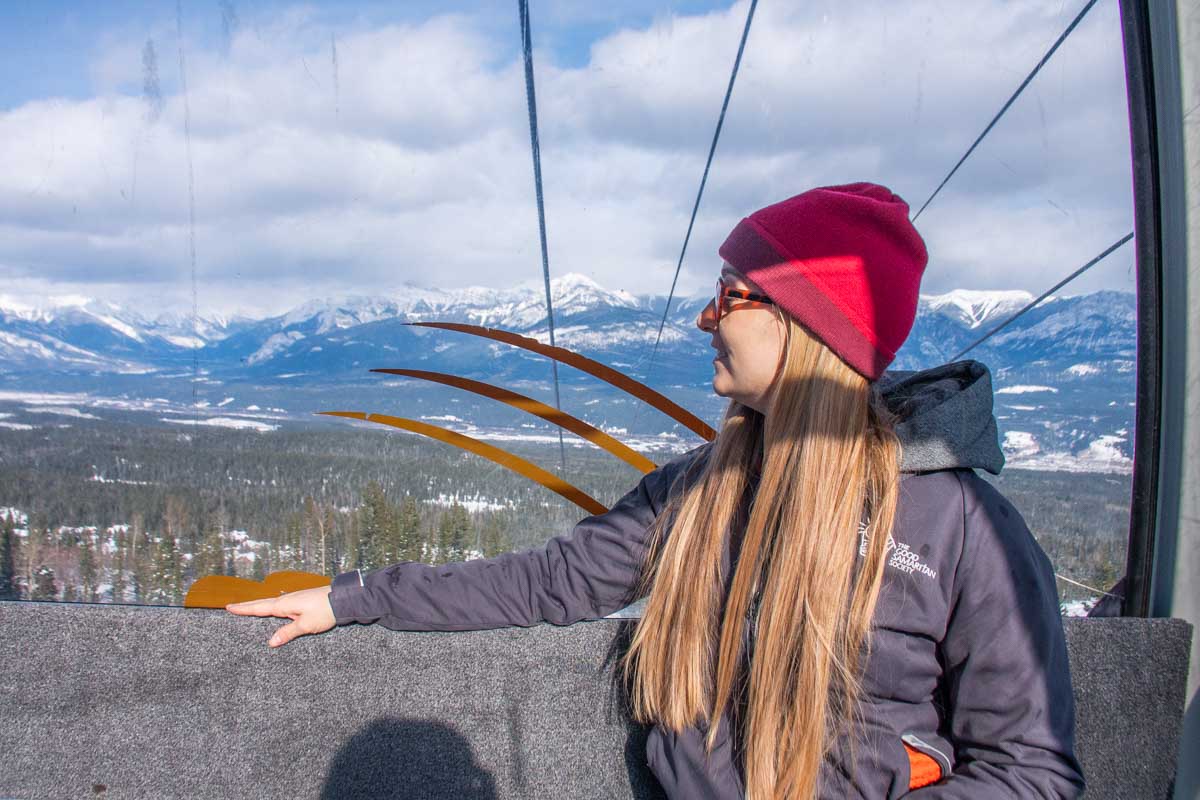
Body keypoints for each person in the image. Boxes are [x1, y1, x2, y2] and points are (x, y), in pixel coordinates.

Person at [228, 183, 1084, 798]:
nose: (705, 320)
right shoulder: (699, 491)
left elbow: (1030, 768)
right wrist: (358, 597)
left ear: (807, 324)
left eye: (730, 298)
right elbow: (549, 581)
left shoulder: (964, 529)